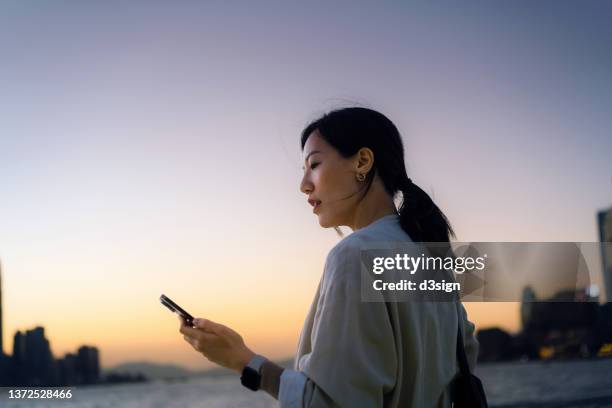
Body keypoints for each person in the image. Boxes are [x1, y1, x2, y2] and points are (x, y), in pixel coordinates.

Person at [178, 107, 479, 407]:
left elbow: (329, 403)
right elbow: (464, 359)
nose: (303, 185)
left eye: (315, 164)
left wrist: (242, 359)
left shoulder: (354, 255)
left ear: (362, 161)